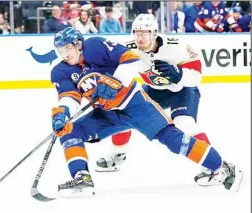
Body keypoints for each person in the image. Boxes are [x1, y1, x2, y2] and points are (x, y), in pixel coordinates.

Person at [50, 27, 243, 196]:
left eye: (67, 48)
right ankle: (82, 178)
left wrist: (116, 81)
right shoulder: (60, 71)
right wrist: (62, 113)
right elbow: (69, 96)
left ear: (78, 44)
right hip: (107, 114)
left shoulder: (95, 46)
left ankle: (222, 167)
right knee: (70, 130)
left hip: (135, 105)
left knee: (174, 140)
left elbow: (131, 58)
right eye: (60, 50)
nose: (64, 54)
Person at [95, 13, 242, 188]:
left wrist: (179, 74)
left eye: (145, 33)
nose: (140, 37)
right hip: (155, 91)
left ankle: (216, 168)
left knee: (184, 125)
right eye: (136, 32)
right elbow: (121, 72)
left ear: (155, 33)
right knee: (124, 110)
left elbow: (196, 77)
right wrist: (111, 85)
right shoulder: (130, 49)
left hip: (182, 90)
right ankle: (118, 155)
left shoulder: (177, 47)